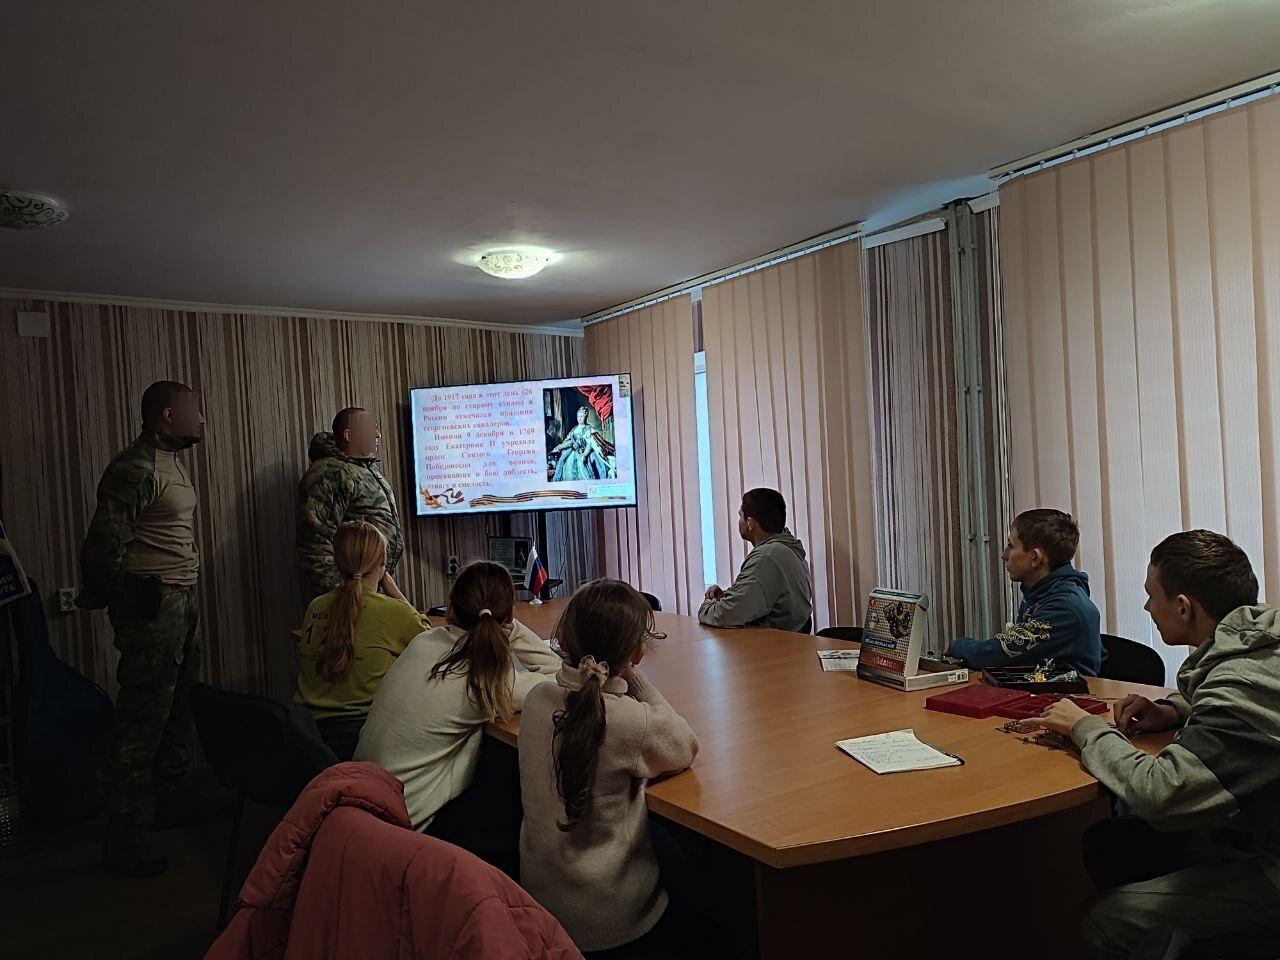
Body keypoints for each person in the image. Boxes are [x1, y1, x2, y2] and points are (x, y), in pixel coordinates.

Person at [1033, 530, 1280, 958]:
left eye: (1152, 596)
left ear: (1183, 607)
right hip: (1257, 830)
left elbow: (1160, 794)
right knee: (1111, 845)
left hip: (1270, 864)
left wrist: (1084, 728)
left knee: (1107, 918)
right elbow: (1238, 703)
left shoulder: (1240, 683)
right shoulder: (1260, 641)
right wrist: (1174, 710)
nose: (1147, 608)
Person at [77, 380, 225, 878]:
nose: (201, 419)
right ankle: (122, 830)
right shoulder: (135, 467)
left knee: (179, 702)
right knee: (144, 713)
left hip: (180, 599)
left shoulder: (170, 461)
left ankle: (173, 797)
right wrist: (111, 593)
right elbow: (103, 544)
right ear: (167, 415)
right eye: (195, 410)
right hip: (153, 606)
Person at [519, 579, 700, 956]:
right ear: (637, 653)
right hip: (615, 922)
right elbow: (685, 745)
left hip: (541, 905)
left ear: (562, 639)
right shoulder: (629, 722)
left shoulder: (536, 700)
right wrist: (636, 680)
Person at [355, 561, 561, 840]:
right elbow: (558, 675)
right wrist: (511, 629)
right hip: (401, 831)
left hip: (362, 808)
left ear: (450, 609)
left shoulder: (423, 642)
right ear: (510, 615)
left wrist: (499, 623)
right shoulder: (488, 681)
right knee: (506, 766)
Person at [294, 521, 425, 760]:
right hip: (362, 738)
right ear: (382, 564)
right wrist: (392, 589)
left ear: (338, 562)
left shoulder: (315, 606)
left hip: (308, 737)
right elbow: (428, 641)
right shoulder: (393, 611)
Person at [949, 508, 1103, 676]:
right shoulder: (1039, 592)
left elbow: (993, 655)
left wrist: (957, 646)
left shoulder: (1065, 609)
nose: (1004, 555)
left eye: (1010, 546)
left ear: (1035, 557)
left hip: (1065, 692)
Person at [297, 407, 404, 599]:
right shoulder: (330, 473)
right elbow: (315, 542)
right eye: (370, 428)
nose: (377, 434)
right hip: (350, 597)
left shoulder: (365, 468)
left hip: (372, 589)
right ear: (348, 435)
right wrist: (343, 595)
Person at [699, 487, 812, 633]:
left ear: (750, 523)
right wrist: (726, 597)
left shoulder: (767, 557)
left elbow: (725, 615)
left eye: (740, 516)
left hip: (771, 644)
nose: (739, 521)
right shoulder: (788, 548)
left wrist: (708, 605)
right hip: (788, 641)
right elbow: (758, 598)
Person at [549, 405, 612, 481]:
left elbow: (589, 444)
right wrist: (559, 447)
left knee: (583, 466)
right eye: (578, 416)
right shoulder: (574, 429)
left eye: (582, 416)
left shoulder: (589, 429)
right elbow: (568, 440)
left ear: (586, 417)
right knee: (568, 466)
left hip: (585, 452)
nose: (580, 418)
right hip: (573, 453)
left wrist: (584, 455)